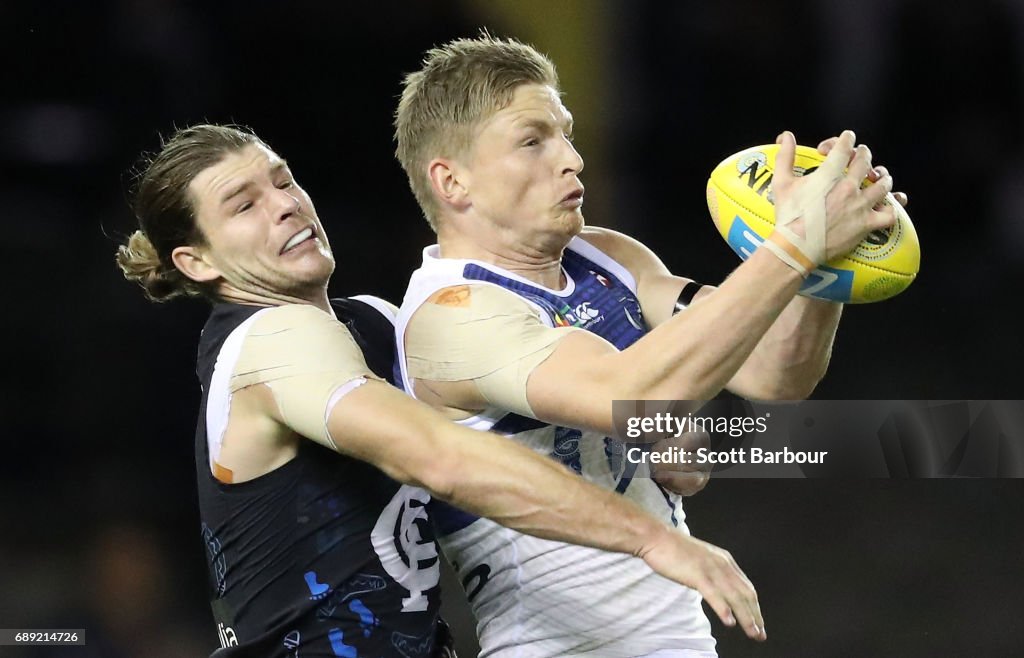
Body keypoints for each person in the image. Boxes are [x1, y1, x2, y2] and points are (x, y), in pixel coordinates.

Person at [115, 124, 765, 658]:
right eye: (244, 204)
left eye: (282, 180)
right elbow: (442, 458)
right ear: (196, 262)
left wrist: (647, 417)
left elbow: (519, 406)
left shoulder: (374, 322)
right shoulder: (269, 342)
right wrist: (652, 537)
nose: (285, 203)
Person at [392, 34, 907, 657]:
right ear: (452, 182)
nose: (572, 159)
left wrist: (824, 272)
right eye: (533, 141)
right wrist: (795, 244)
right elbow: (633, 395)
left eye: (567, 133)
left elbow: (776, 372)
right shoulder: (451, 315)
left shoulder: (608, 257)